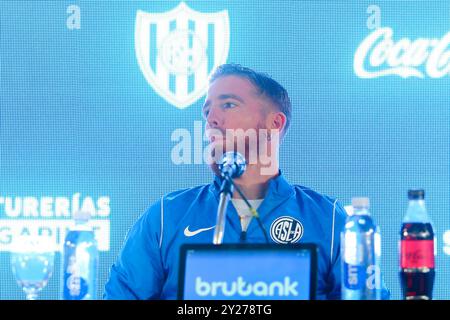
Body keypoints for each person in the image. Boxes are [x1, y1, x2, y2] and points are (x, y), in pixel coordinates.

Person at [104, 63, 389, 300]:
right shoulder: (166, 217)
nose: (211, 119)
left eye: (228, 104)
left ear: (274, 123)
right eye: (206, 111)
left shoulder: (329, 220)